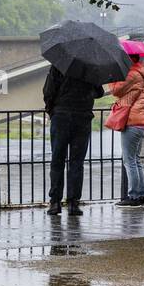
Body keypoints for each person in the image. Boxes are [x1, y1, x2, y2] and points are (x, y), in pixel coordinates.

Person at [42, 64, 104, 216]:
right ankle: (73, 203)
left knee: (57, 160)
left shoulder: (59, 64)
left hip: (61, 116)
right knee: (77, 162)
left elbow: (48, 91)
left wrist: (52, 110)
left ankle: (55, 202)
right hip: (83, 117)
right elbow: (99, 92)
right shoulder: (92, 67)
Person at [106, 54, 144, 208]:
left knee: (129, 161)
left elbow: (116, 91)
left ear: (129, 59)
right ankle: (141, 193)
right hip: (141, 122)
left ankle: (133, 196)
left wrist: (112, 77)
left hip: (133, 122)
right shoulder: (140, 72)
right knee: (136, 160)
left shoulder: (132, 74)